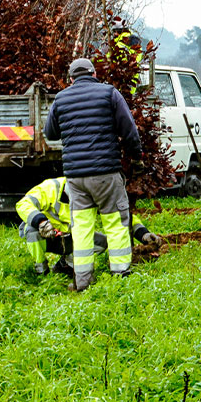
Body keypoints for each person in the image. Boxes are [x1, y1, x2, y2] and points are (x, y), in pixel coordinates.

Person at [44, 57, 142, 291]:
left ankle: (82, 281)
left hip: (76, 178)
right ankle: (120, 276)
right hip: (106, 173)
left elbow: (50, 133)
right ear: (94, 74)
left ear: (71, 79)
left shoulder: (61, 98)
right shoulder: (109, 93)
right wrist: (136, 157)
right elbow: (128, 129)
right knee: (115, 223)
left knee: (82, 229)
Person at [16, 177, 161, 277]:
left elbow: (120, 217)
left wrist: (143, 234)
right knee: (31, 231)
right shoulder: (51, 187)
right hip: (47, 235)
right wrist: (41, 222)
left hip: (71, 237)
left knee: (102, 242)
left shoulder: (92, 195)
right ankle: (41, 270)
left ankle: (66, 265)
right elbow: (23, 204)